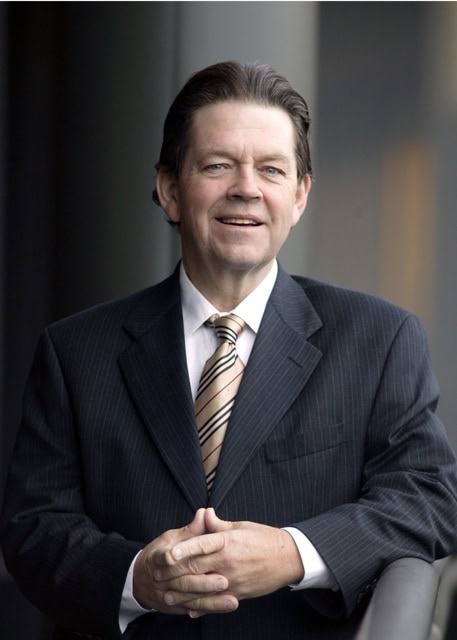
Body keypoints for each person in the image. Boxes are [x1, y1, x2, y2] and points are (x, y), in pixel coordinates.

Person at [1, 60, 457, 640]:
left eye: (271, 168)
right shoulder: (74, 352)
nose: (246, 187)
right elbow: (33, 529)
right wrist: (137, 577)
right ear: (169, 190)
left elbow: (428, 500)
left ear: (299, 196)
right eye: (218, 165)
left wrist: (291, 553)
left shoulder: (380, 339)